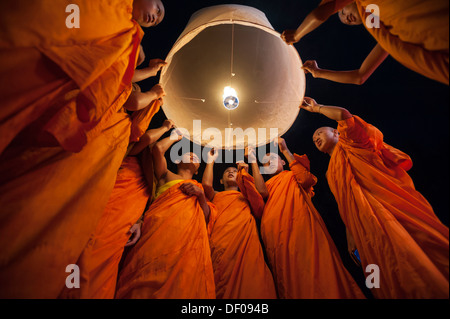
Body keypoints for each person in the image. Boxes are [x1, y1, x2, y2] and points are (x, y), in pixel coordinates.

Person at [0, 0, 166, 298]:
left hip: (100, 144)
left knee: (59, 213)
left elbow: (123, 83)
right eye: (158, 8)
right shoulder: (111, 17)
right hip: (76, 106)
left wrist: (150, 84)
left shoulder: (128, 42)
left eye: (157, 20)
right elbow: (124, 89)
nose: (156, 17)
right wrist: (152, 89)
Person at [301, 96, 449, 298]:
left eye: (319, 133)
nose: (316, 138)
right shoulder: (329, 173)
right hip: (364, 227)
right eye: (313, 140)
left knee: (412, 252)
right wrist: (350, 235)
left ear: (335, 132)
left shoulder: (353, 142)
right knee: (382, 270)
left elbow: (345, 116)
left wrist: (317, 108)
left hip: (388, 208)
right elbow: (346, 204)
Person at [59, 120, 175, 299]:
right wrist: (166, 128)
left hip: (125, 223)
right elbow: (147, 140)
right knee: (84, 252)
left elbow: (145, 204)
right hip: (107, 207)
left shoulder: (152, 180)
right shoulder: (131, 152)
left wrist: (140, 221)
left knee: (104, 267)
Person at [252, 140, 365, 298]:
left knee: (316, 265)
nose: (268, 162)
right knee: (288, 274)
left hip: (301, 223)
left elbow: (306, 180)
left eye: (273, 158)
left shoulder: (293, 174)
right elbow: (261, 192)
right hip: (275, 233)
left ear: (283, 161)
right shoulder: (267, 185)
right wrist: (252, 161)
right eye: (265, 163)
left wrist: (285, 150)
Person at [115, 133, 216, 299]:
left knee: (184, 284)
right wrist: (175, 136)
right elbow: (157, 149)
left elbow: (206, 217)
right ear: (177, 161)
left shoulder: (199, 189)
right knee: (146, 272)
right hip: (157, 231)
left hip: (187, 241)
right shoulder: (166, 175)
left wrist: (200, 195)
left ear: (197, 170)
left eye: (196, 157)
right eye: (188, 154)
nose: (192, 155)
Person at [281, 0, 449, 85]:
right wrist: (319, 72)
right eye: (348, 22)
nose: (346, 18)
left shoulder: (368, 5)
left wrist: (297, 34)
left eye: (342, 12)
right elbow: (360, 77)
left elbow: (320, 14)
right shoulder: (382, 29)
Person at [201, 149, 277, 299]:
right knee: (221, 284)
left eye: (235, 171)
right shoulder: (216, 195)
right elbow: (206, 185)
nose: (231, 172)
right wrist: (210, 161)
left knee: (254, 284)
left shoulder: (247, 195)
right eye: (227, 171)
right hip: (221, 244)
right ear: (221, 181)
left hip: (246, 246)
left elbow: (261, 197)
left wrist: (249, 170)